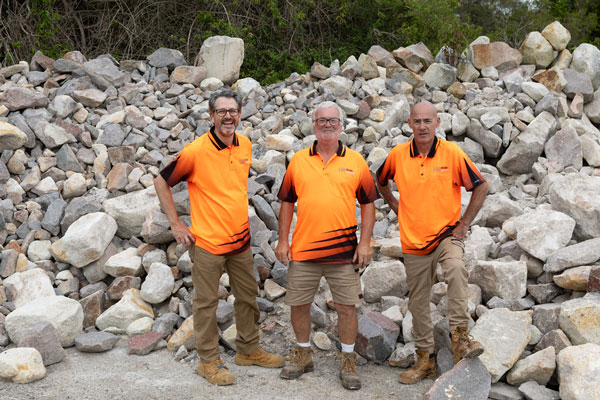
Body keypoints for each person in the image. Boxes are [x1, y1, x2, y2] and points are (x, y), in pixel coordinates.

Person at [154, 89, 284, 386]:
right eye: (221, 111)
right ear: (211, 116)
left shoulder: (245, 145)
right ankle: (208, 361)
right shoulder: (195, 152)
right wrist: (176, 224)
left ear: (240, 115)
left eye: (233, 111)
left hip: (240, 242)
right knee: (206, 303)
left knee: (248, 297)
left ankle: (249, 349)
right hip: (209, 243)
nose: (228, 116)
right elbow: (161, 181)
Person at [376, 101, 488, 384]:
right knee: (418, 300)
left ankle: (461, 338)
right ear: (409, 124)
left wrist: (463, 225)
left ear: (438, 123)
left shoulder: (451, 153)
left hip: (447, 233)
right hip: (413, 240)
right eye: (417, 121)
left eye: (428, 121)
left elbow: (481, 185)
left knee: (456, 270)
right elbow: (380, 179)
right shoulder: (399, 155)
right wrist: (395, 205)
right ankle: (425, 358)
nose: (422, 126)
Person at [275, 101, 377, 390]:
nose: (328, 125)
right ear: (313, 125)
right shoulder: (298, 160)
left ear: (342, 125)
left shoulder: (356, 161)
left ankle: (347, 360)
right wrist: (283, 240)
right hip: (304, 250)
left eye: (333, 120)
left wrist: (365, 243)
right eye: (322, 121)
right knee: (299, 304)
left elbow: (368, 204)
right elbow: (286, 202)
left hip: (344, 252)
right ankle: (303, 353)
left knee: (346, 307)